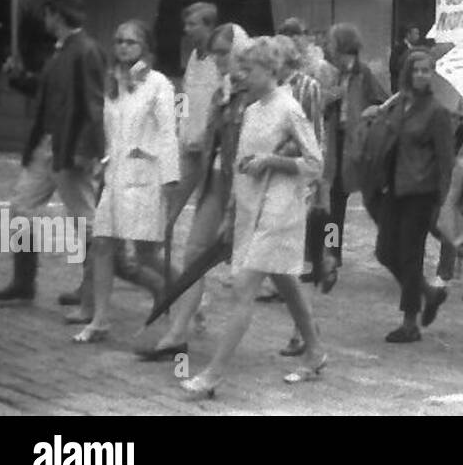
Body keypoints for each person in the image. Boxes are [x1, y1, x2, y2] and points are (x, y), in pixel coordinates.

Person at [181, 37, 327, 398]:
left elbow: (315, 164)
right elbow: (240, 164)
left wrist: (271, 162)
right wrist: (232, 211)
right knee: (283, 279)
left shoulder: (289, 108)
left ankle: (213, 375)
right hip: (252, 207)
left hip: (281, 208)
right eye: (241, 68)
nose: (242, 75)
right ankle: (315, 350)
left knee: (244, 286)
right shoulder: (250, 109)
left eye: (250, 69)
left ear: (271, 70)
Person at [137, 23, 251, 361]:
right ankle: (176, 334)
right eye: (214, 52)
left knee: (266, 272)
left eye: (223, 52)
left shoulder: (255, 92)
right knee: (194, 257)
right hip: (216, 181)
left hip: (247, 190)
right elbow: (210, 141)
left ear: (240, 51)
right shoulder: (222, 92)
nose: (217, 59)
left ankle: (308, 334)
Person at [0, 0, 105, 311]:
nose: (44, 19)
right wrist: (19, 78)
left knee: (85, 220)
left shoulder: (86, 51)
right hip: (48, 143)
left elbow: (94, 105)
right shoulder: (63, 51)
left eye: (48, 13)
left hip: (69, 147)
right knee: (21, 207)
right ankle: (23, 284)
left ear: (58, 14)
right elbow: (46, 91)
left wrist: (87, 150)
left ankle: (93, 286)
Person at [73, 20, 180, 343]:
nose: (123, 47)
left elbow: (167, 133)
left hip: (145, 176)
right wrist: (101, 159)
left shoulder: (158, 83)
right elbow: (108, 129)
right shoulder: (112, 83)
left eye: (131, 42)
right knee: (102, 244)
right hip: (114, 175)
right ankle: (100, 319)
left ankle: (192, 295)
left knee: (147, 254)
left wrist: (170, 178)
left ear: (145, 46)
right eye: (119, 40)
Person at [373, 49, 454, 343]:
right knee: (384, 250)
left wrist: (445, 202)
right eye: (417, 70)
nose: (422, 75)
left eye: (427, 70)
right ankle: (428, 292)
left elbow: (447, 161)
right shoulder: (399, 104)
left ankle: (410, 322)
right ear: (408, 73)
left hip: (421, 191)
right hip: (393, 187)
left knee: (410, 255)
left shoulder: (437, 112)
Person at [318, 23, 387, 291]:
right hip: (338, 145)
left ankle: (397, 243)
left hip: (360, 148)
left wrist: (370, 114)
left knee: (374, 203)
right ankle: (333, 255)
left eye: (331, 43)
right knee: (334, 205)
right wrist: (328, 100)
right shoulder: (334, 75)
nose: (327, 48)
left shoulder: (364, 73)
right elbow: (323, 109)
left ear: (343, 46)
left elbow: (384, 102)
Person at [272, 32, 327, 354]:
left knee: (297, 260)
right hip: (276, 180)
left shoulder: (306, 87)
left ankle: (302, 332)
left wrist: (319, 185)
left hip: (299, 180)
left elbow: (314, 138)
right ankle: (305, 329)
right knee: (284, 262)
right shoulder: (268, 91)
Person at [167, 3, 221, 232]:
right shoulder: (192, 56)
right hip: (188, 145)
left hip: (212, 148)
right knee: (170, 202)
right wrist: (180, 127)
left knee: (207, 214)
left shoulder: (221, 58)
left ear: (208, 26)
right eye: (185, 24)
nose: (187, 29)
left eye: (192, 24)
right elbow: (184, 93)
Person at [388, 24, 430, 93]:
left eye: (418, 34)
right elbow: (393, 67)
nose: (418, 36)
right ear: (408, 35)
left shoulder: (417, 49)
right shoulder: (398, 48)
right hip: (400, 86)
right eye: (416, 34)